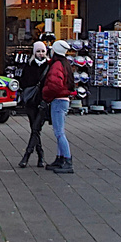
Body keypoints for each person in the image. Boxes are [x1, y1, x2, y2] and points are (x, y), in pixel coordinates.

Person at [15, 40, 50, 168]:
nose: (41, 54)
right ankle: (40, 156)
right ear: (34, 53)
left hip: (43, 102)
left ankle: (27, 156)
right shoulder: (29, 66)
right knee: (35, 129)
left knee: (36, 129)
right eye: (38, 51)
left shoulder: (48, 66)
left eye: (42, 51)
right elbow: (23, 82)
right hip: (31, 103)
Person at [42, 41, 75, 174]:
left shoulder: (56, 65)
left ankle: (66, 160)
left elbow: (55, 85)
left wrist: (45, 93)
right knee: (59, 131)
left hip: (58, 101)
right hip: (64, 100)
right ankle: (60, 158)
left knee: (59, 132)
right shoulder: (65, 63)